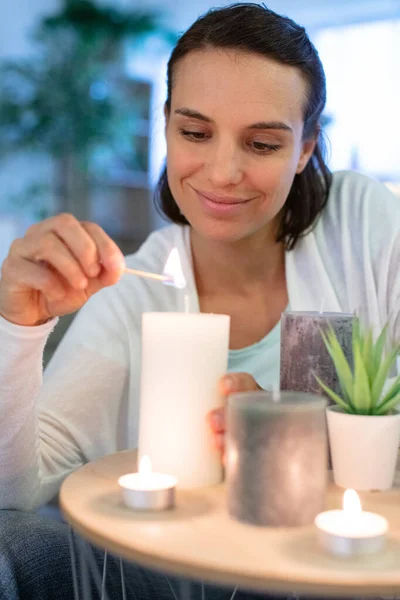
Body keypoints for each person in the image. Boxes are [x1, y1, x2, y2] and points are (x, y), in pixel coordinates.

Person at [0, 2, 399, 599]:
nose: (222, 171)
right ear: (165, 126)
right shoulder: (132, 291)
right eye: (195, 133)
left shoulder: (364, 225)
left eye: (262, 143)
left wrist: (298, 441)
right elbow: (15, 491)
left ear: (307, 146)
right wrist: (16, 327)